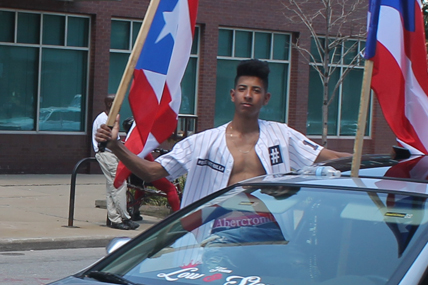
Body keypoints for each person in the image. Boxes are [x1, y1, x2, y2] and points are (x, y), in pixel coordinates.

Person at [95, 59, 350, 208]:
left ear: (266, 98)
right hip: (213, 235)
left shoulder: (282, 136)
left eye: (256, 90)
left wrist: (384, 161)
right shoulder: (203, 142)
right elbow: (151, 172)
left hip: (268, 233)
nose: (248, 95)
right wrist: (116, 145)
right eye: (242, 89)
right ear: (233, 94)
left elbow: (331, 157)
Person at [92, 95, 139, 230]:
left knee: (112, 187)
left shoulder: (112, 118)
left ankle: (115, 219)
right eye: (114, 102)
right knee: (119, 184)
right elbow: (107, 141)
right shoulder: (104, 119)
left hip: (113, 154)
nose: (117, 105)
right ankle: (125, 217)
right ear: (108, 103)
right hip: (106, 154)